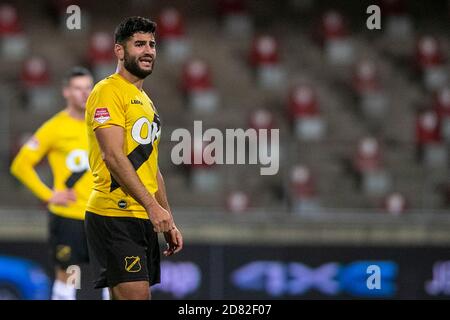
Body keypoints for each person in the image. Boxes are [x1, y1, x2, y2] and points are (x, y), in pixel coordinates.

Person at [84, 16, 183, 300]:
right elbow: (112, 156)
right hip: (114, 212)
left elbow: (152, 170)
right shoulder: (108, 91)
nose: (148, 50)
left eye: (152, 44)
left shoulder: (146, 101)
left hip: (141, 215)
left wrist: (169, 220)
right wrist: (154, 208)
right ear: (119, 51)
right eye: (139, 44)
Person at [10, 67, 107, 300]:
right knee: (69, 276)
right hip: (69, 215)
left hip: (103, 213)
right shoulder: (55, 127)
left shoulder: (102, 124)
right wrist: (48, 194)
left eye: (88, 88)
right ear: (66, 92)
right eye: (77, 88)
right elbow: (21, 164)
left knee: (110, 274)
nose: (84, 93)